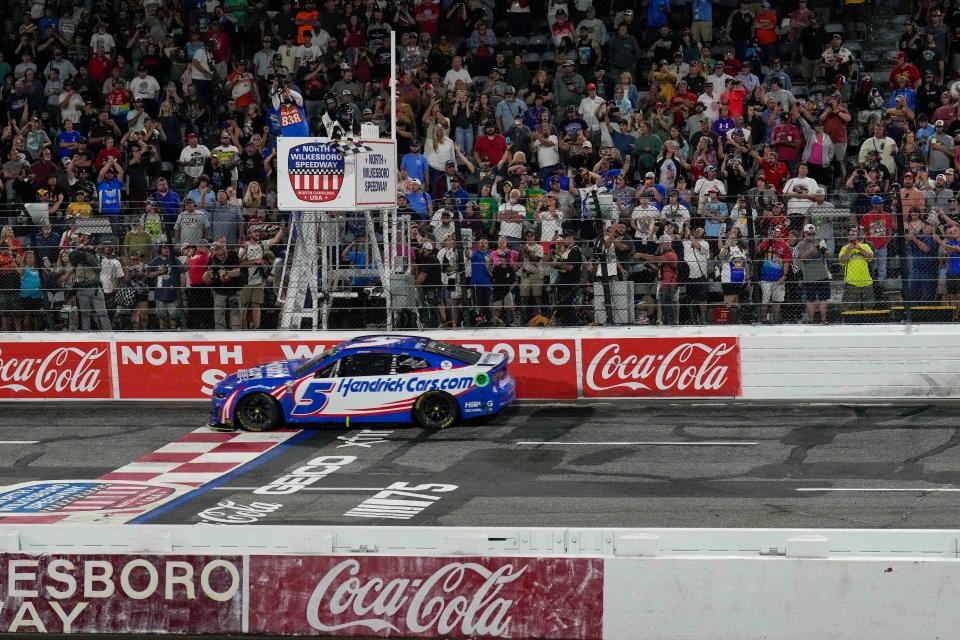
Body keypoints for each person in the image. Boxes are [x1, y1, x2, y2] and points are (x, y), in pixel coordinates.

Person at [69, 231, 111, 331]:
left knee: (102, 313)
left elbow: (97, 268)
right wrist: (82, 249)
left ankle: (109, 333)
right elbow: (73, 257)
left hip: (94, 288)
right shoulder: (76, 254)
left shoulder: (95, 255)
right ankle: (86, 335)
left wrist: (87, 254)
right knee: (85, 314)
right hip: (82, 288)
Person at [634, 234, 679, 325]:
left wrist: (642, 255)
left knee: (668, 306)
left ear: (667, 243)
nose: (660, 246)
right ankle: (667, 323)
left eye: (661, 244)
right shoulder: (666, 253)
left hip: (669, 284)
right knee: (665, 306)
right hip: (664, 283)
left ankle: (670, 324)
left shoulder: (671, 255)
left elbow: (656, 258)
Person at [794, 223, 832, 324]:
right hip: (809, 276)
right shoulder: (800, 245)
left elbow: (828, 255)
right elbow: (801, 258)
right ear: (804, 233)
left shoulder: (820, 241)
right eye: (809, 234)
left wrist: (822, 249)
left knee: (823, 299)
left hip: (822, 274)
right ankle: (811, 320)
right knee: (811, 299)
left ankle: (824, 320)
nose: (811, 236)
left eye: (813, 234)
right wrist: (810, 251)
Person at [756, 225, 793, 323]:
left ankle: (776, 321)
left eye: (776, 231)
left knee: (777, 302)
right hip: (765, 277)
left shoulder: (785, 246)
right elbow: (757, 251)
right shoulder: (767, 242)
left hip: (778, 278)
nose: (774, 232)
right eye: (773, 230)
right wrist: (756, 243)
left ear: (781, 233)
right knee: (765, 301)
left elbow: (786, 262)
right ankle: (763, 321)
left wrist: (784, 276)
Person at [204, 240, 244, 331]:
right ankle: (220, 333)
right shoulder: (212, 258)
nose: (221, 256)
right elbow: (208, 277)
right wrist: (210, 274)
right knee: (219, 312)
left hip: (233, 288)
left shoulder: (233, 255)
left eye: (223, 253)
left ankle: (236, 333)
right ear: (215, 252)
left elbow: (237, 272)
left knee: (235, 311)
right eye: (218, 253)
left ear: (225, 248)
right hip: (219, 289)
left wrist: (226, 272)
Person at [146, 244, 182, 330]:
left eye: (168, 247)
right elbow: (149, 275)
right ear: (160, 249)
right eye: (164, 247)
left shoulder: (175, 260)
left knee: (173, 315)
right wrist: (159, 272)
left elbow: (182, 273)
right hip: (160, 293)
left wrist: (181, 288)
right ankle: (164, 332)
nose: (166, 249)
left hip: (173, 292)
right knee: (161, 315)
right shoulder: (155, 261)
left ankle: (173, 332)